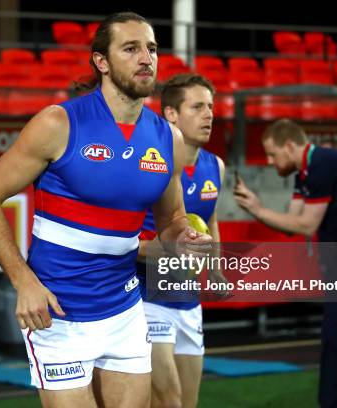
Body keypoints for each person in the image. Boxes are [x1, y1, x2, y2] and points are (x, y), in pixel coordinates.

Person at [0, 12, 212, 408]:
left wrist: (183, 239)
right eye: (131, 48)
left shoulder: (167, 137)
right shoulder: (59, 123)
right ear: (102, 61)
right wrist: (23, 281)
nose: (146, 58)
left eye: (151, 48)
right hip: (58, 313)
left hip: (125, 310)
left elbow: (171, 221)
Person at [234, 118, 337, 408]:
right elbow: (290, 224)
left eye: (272, 154)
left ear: (289, 145)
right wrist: (256, 208)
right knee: (335, 332)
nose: (271, 162)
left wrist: (258, 208)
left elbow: (306, 225)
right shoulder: (305, 174)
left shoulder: (321, 164)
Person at [136, 73, 227, 408]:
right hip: (147, 300)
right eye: (198, 107)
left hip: (189, 302)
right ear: (171, 114)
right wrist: (152, 251)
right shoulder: (148, 162)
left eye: (211, 107)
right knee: (169, 401)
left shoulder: (215, 166)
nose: (209, 115)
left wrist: (216, 271)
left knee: (187, 403)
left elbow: (211, 220)